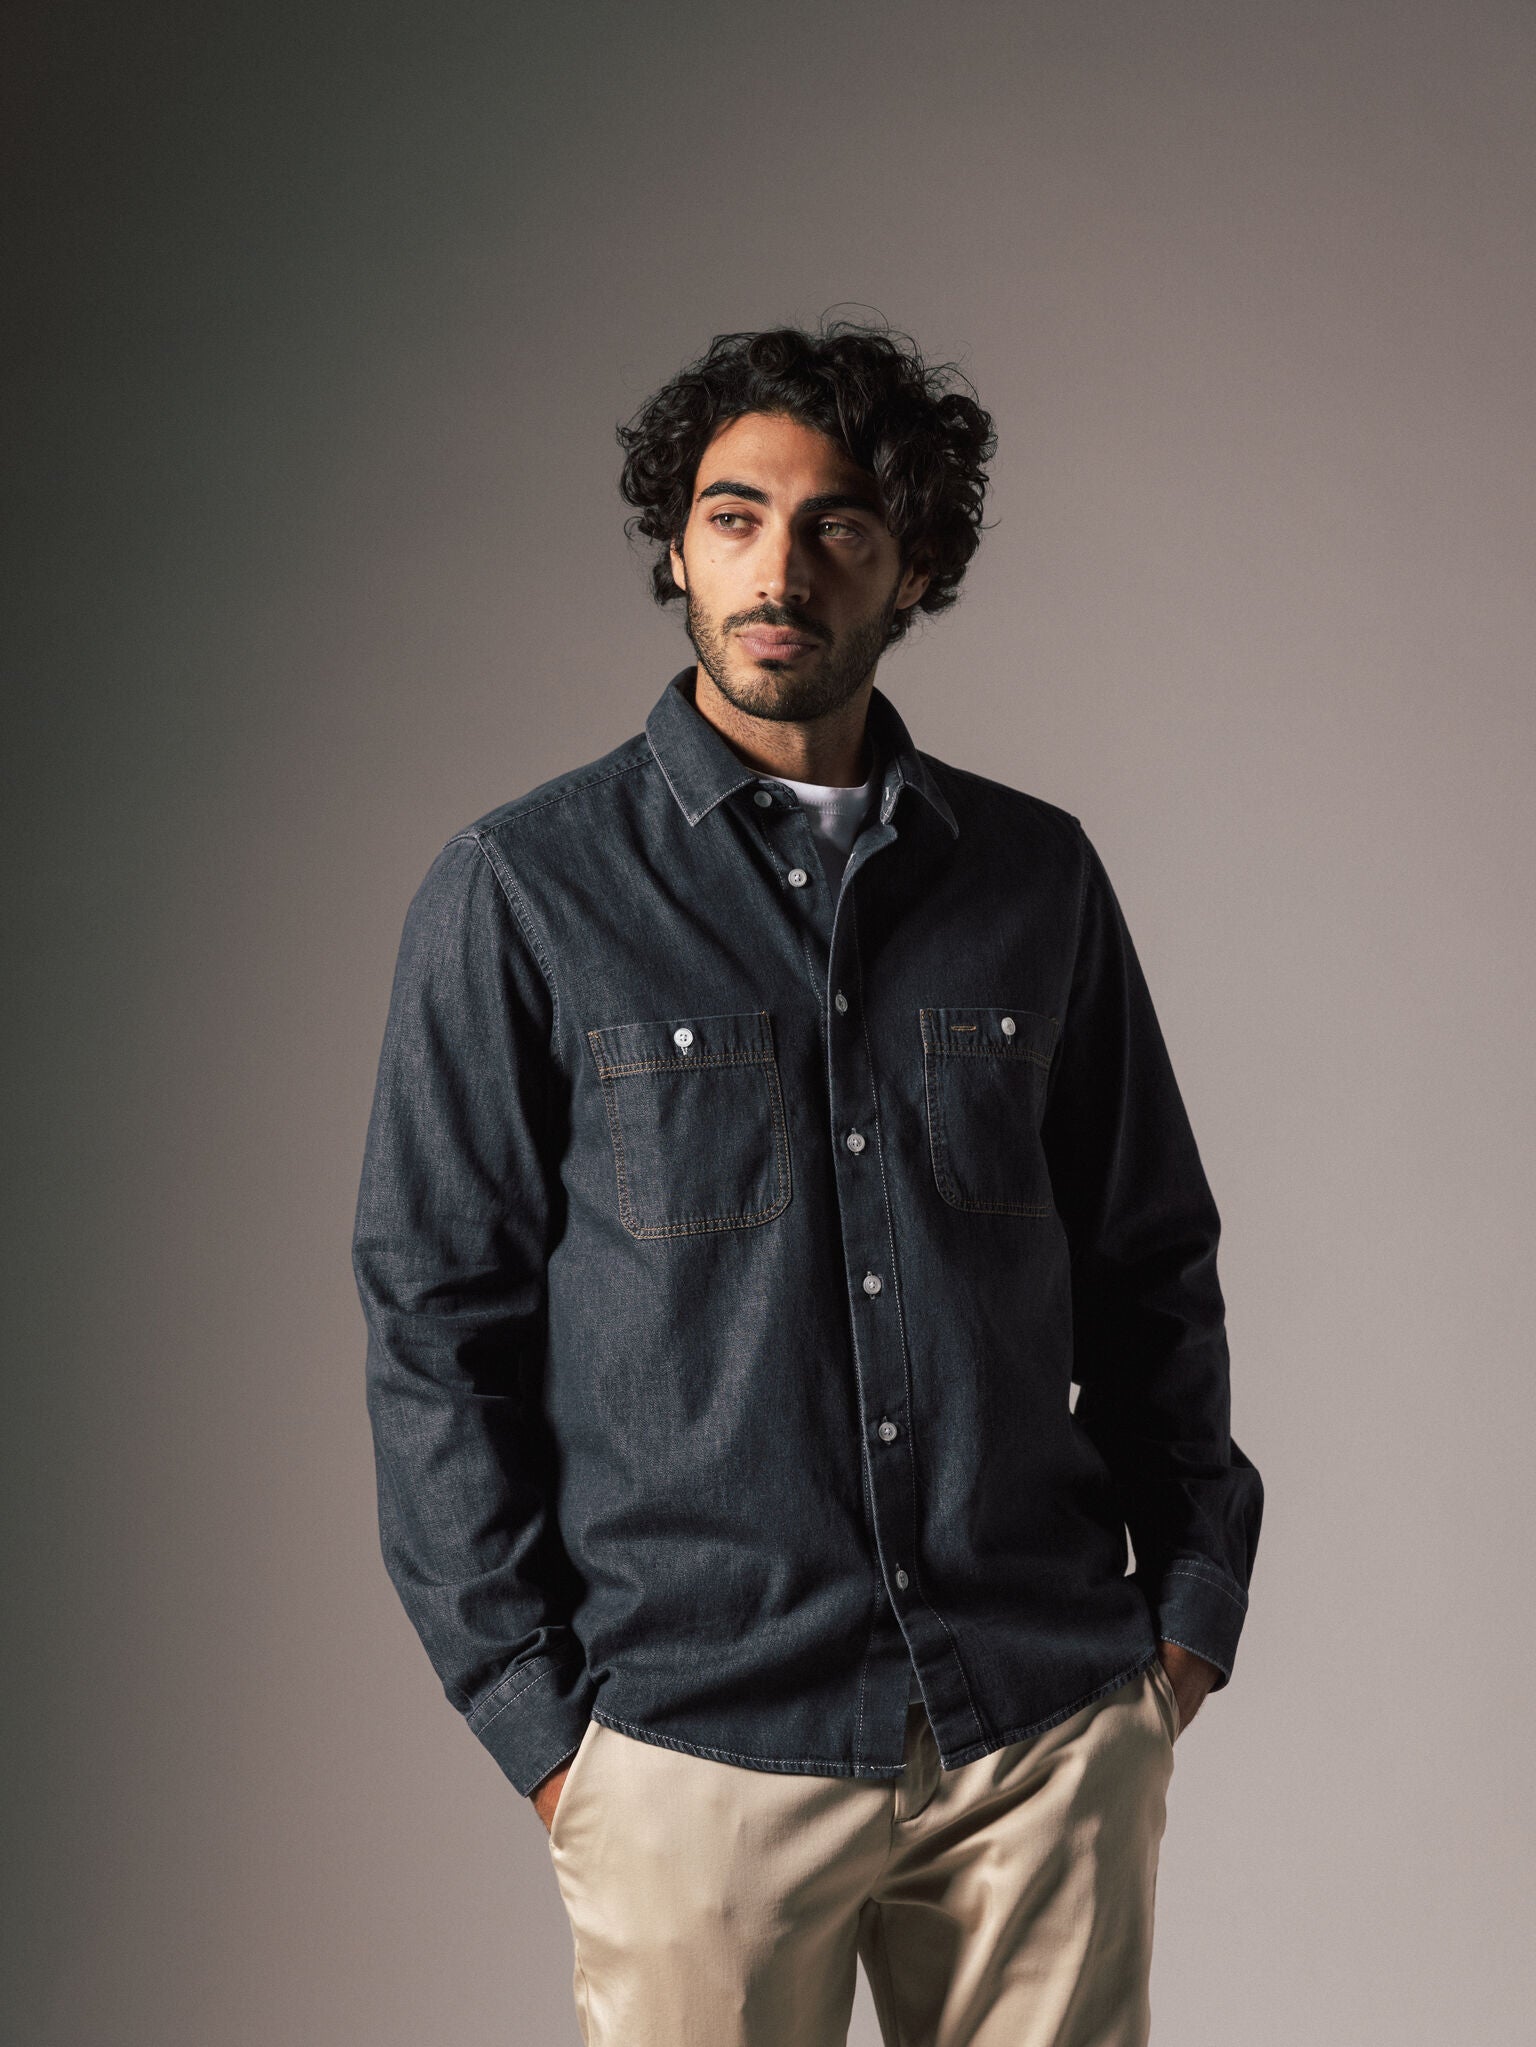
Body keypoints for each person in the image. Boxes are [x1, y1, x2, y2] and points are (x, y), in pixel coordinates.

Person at [352, 318, 1264, 2047]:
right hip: (696, 1743)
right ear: (676, 548)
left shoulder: (1037, 877)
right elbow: (434, 1324)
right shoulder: (525, 891)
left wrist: (1183, 1626)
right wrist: (543, 1728)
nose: (780, 570)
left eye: (839, 523)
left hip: (1039, 1727)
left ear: (914, 566)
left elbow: (1152, 1257)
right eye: (734, 517)